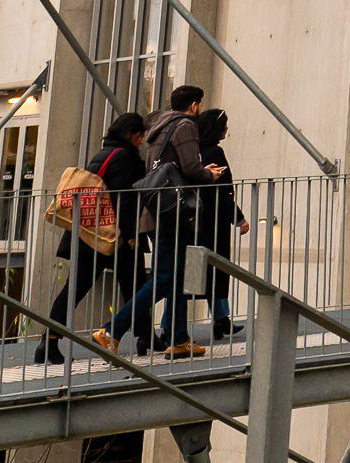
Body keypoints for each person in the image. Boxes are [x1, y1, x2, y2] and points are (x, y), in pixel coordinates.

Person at [99, 85, 225, 359]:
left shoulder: (158, 126)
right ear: (194, 105)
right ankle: (111, 331)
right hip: (173, 214)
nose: (200, 110)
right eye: (200, 104)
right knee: (164, 278)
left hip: (157, 211)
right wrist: (210, 175)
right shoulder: (185, 126)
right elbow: (191, 168)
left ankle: (179, 339)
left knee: (176, 276)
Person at [39, 112, 146, 363]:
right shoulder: (125, 157)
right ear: (130, 135)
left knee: (77, 288)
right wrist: (131, 234)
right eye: (141, 136)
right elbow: (124, 198)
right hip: (112, 235)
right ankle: (144, 337)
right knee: (136, 287)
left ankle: (49, 342)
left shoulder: (104, 153)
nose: (142, 141)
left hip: (90, 234)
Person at [192, 109, 252, 340]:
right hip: (213, 221)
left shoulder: (194, 151)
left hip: (195, 218)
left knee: (198, 271)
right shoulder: (215, 152)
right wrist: (238, 217)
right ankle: (219, 319)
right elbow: (222, 191)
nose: (227, 131)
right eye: (224, 126)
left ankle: (221, 318)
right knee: (214, 268)